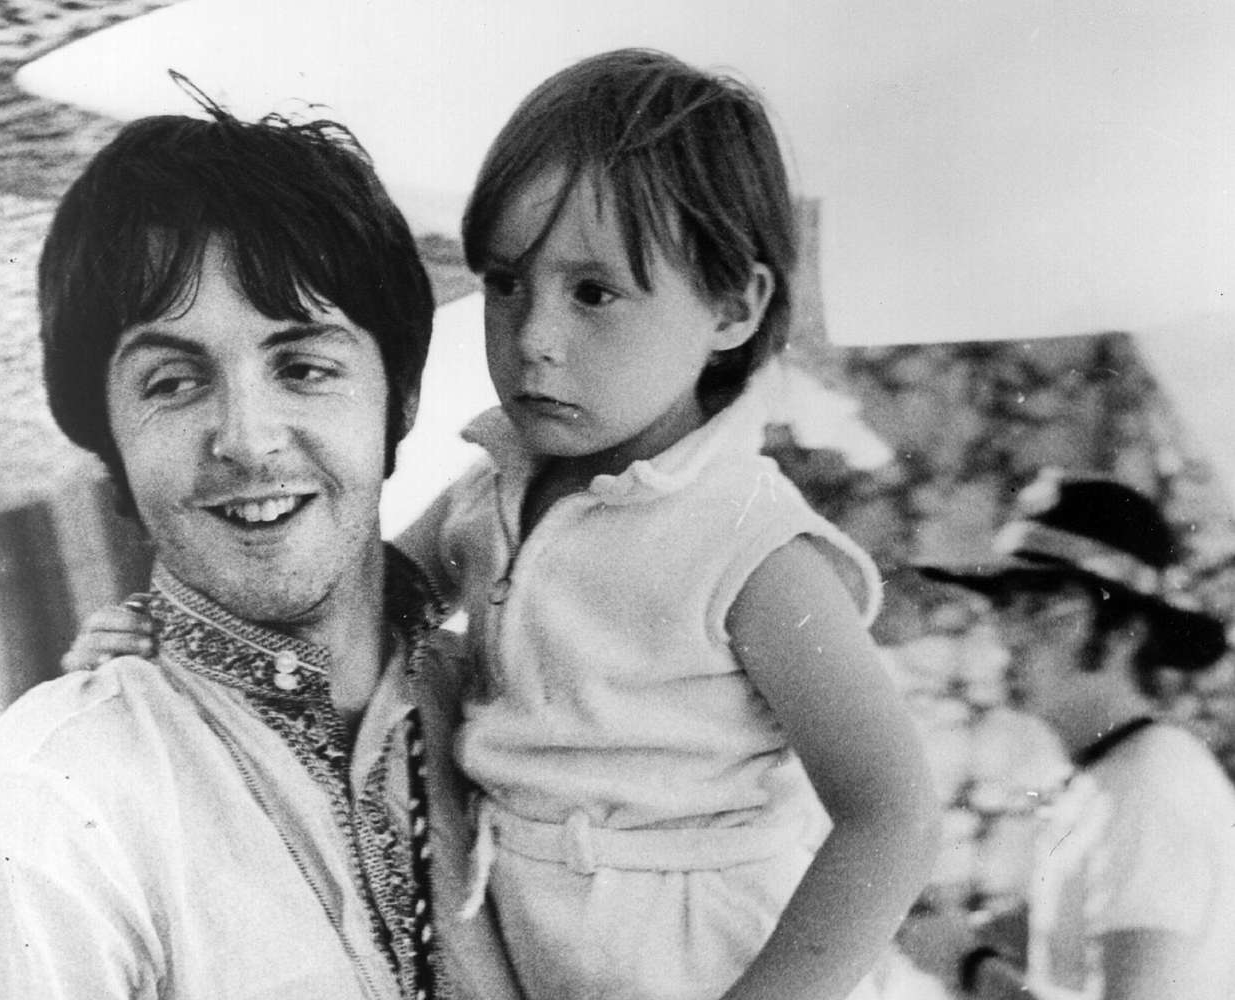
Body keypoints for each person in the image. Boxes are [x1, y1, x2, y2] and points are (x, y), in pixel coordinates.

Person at [69, 49, 939, 1000]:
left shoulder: (750, 546)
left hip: (710, 951)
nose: (533, 339)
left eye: (594, 293)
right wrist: (177, 634)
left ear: (733, 307)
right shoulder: (496, 491)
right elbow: (354, 608)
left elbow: (891, 813)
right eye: (507, 283)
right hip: (527, 930)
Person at [0, 107, 523, 1000]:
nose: (246, 437)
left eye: (303, 366)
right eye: (174, 380)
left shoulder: (512, 718)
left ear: (402, 396)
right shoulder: (44, 813)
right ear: (107, 439)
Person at [906, 470, 1235, 1000]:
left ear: (1128, 631)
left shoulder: (1149, 786)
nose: (1010, 635)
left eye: (1044, 608)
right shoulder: (1115, 774)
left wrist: (967, 966)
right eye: (1005, 605)